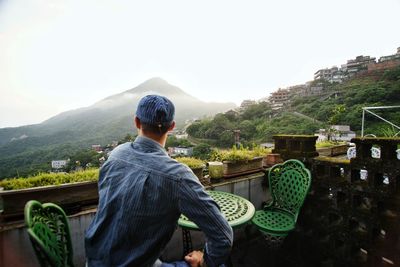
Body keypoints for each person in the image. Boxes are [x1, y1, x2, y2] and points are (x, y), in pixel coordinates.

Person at [85, 95, 233, 267]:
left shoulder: (116, 154)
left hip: (94, 260)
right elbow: (223, 237)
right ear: (171, 127)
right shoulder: (178, 176)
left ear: (137, 122)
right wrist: (205, 262)